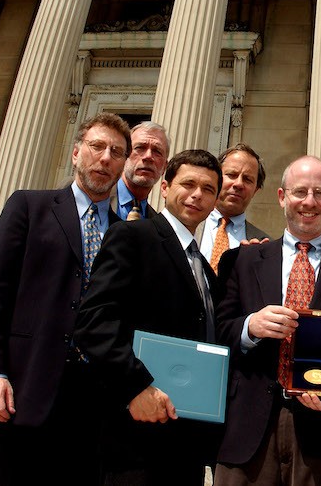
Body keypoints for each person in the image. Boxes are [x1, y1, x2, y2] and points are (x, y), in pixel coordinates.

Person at [0, 112, 131, 485]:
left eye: (116, 152)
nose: (105, 158)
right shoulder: (29, 207)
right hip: (24, 387)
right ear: (76, 153)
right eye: (96, 147)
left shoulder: (126, 234)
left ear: (123, 165)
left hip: (92, 399)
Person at [214, 155, 321, 486]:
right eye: (299, 191)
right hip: (248, 427)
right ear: (281, 197)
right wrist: (251, 327)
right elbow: (220, 329)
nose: (309, 202)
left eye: (319, 193)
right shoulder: (242, 260)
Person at [73, 149, 223, 485]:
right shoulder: (132, 237)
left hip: (186, 441)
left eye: (208, 189)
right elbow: (94, 322)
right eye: (188, 184)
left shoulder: (205, 271)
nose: (197, 194)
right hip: (134, 437)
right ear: (166, 187)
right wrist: (134, 388)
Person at [198, 143, 270, 273]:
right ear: (216, 179)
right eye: (232, 175)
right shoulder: (187, 225)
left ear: (255, 190)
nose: (238, 184)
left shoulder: (264, 246)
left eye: (247, 179)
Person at [111, 121, 169, 220]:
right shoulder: (96, 201)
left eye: (157, 151)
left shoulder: (155, 225)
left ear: (164, 167)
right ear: (124, 155)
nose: (148, 156)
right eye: (140, 148)